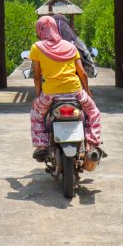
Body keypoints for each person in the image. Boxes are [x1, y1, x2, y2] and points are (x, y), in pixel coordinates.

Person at [29, 16, 102, 161]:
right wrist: (87, 91)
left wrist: (38, 96)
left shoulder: (37, 48)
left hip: (50, 94)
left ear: (40, 30)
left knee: (36, 114)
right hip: (75, 93)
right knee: (93, 112)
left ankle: (42, 146)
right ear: (56, 28)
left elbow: (37, 76)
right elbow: (82, 73)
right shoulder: (71, 46)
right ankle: (91, 145)